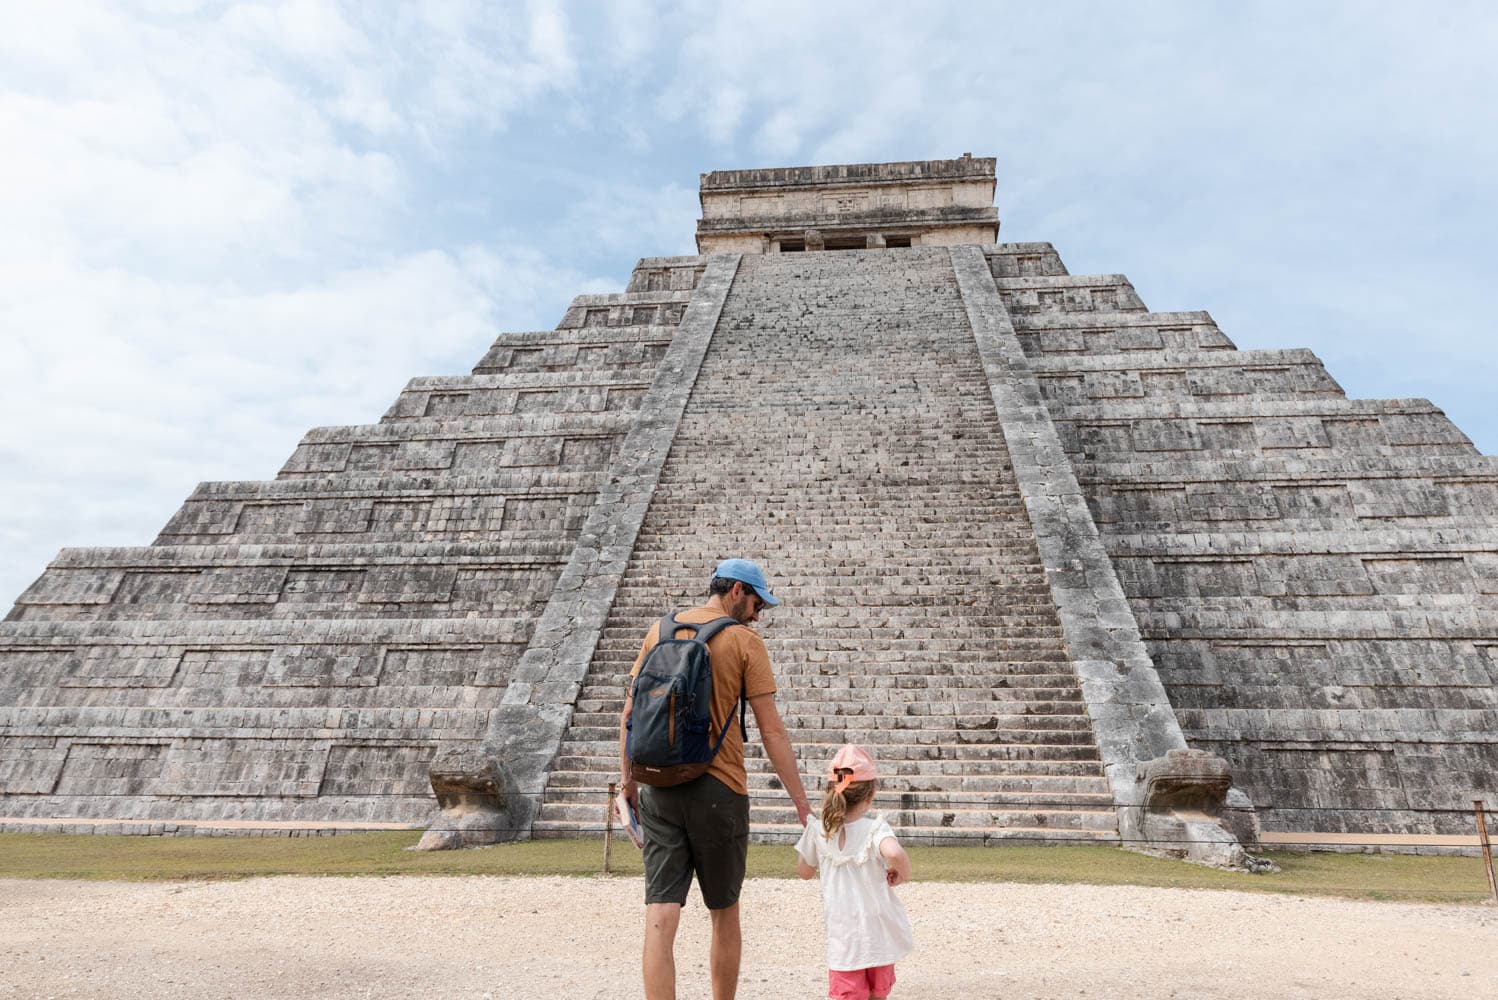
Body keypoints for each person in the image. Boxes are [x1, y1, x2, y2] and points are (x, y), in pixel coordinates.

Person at [619, 557, 813, 1000]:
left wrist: (628, 785)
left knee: (660, 914)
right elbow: (772, 730)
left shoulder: (659, 631)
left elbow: (628, 716)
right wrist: (801, 803)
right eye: (758, 603)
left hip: (658, 788)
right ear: (737, 592)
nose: (759, 614)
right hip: (719, 789)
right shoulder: (744, 641)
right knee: (724, 911)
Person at [796, 745, 914, 1000]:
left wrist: (812, 836)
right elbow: (894, 853)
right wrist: (903, 872)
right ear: (870, 795)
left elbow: (804, 871)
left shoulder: (818, 831)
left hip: (844, 938)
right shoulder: (875, 830)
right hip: (877, 935)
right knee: (877, 994)